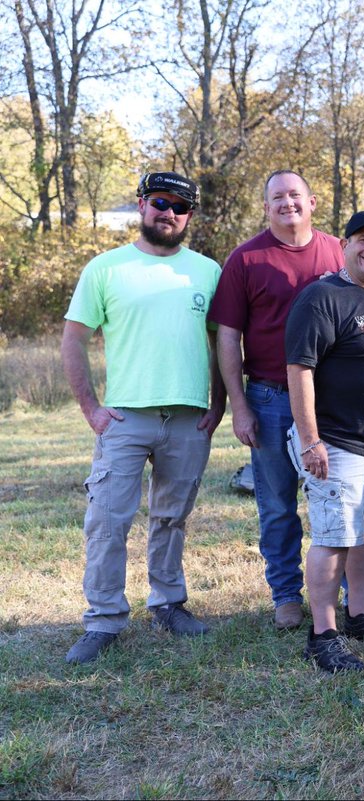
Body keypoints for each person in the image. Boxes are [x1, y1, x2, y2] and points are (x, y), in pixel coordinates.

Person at [60, 171, 224, 664]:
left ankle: (168, 604)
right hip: (125, 418)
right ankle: (104, 619)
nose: (168, 212)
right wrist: (91, 408)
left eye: (180, 206)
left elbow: (222, 342)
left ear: (189, 215)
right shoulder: (106, 268)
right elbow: (74, 339)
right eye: (159, 201)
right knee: (108, 521)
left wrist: (219, 402)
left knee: (172, 518)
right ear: (141, 205)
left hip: (189, 418)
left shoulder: (207, 271)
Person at [209, 170, 344, 630]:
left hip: (332, 400)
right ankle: (286, 595)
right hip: (270, 398)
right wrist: (239, 405)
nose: (288, 203)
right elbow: (228, 338)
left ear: (312, 201)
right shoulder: (246, 259)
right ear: (266, 207)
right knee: (278, 506)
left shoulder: (337, 252)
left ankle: (347, 592)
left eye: (295, 195)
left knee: (338, 499)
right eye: (278, 197)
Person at [284, 210, 364, 673]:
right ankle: (323, 635)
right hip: (338, 442)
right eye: (363, 239)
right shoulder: (322, 297)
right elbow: (300, 368)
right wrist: (310, 440)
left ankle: (360, 613)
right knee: (333, 538)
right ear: (344, 245)